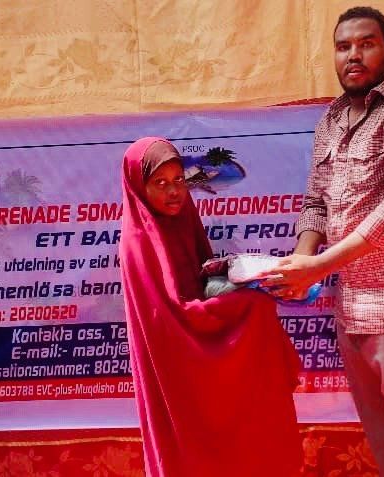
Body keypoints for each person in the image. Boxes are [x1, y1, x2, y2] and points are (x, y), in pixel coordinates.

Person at [264, 6, 384, 477]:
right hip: (351, 304)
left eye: (366, 44)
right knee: (381, 439)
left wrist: (318, 267)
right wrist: (300, 262)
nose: (353, 55)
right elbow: (317, 201)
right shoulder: (331, 120)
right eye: (343, 46)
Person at [118, 137, 302, 477]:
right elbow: (173, 316)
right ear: (139, 187)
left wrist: (237, 282)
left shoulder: (183, 219)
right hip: (178, 367)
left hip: (197, 356)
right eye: (160, 183)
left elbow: (200, 285)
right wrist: (246, 306)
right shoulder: (140, 241)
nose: (174, 191)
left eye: (178, 180)